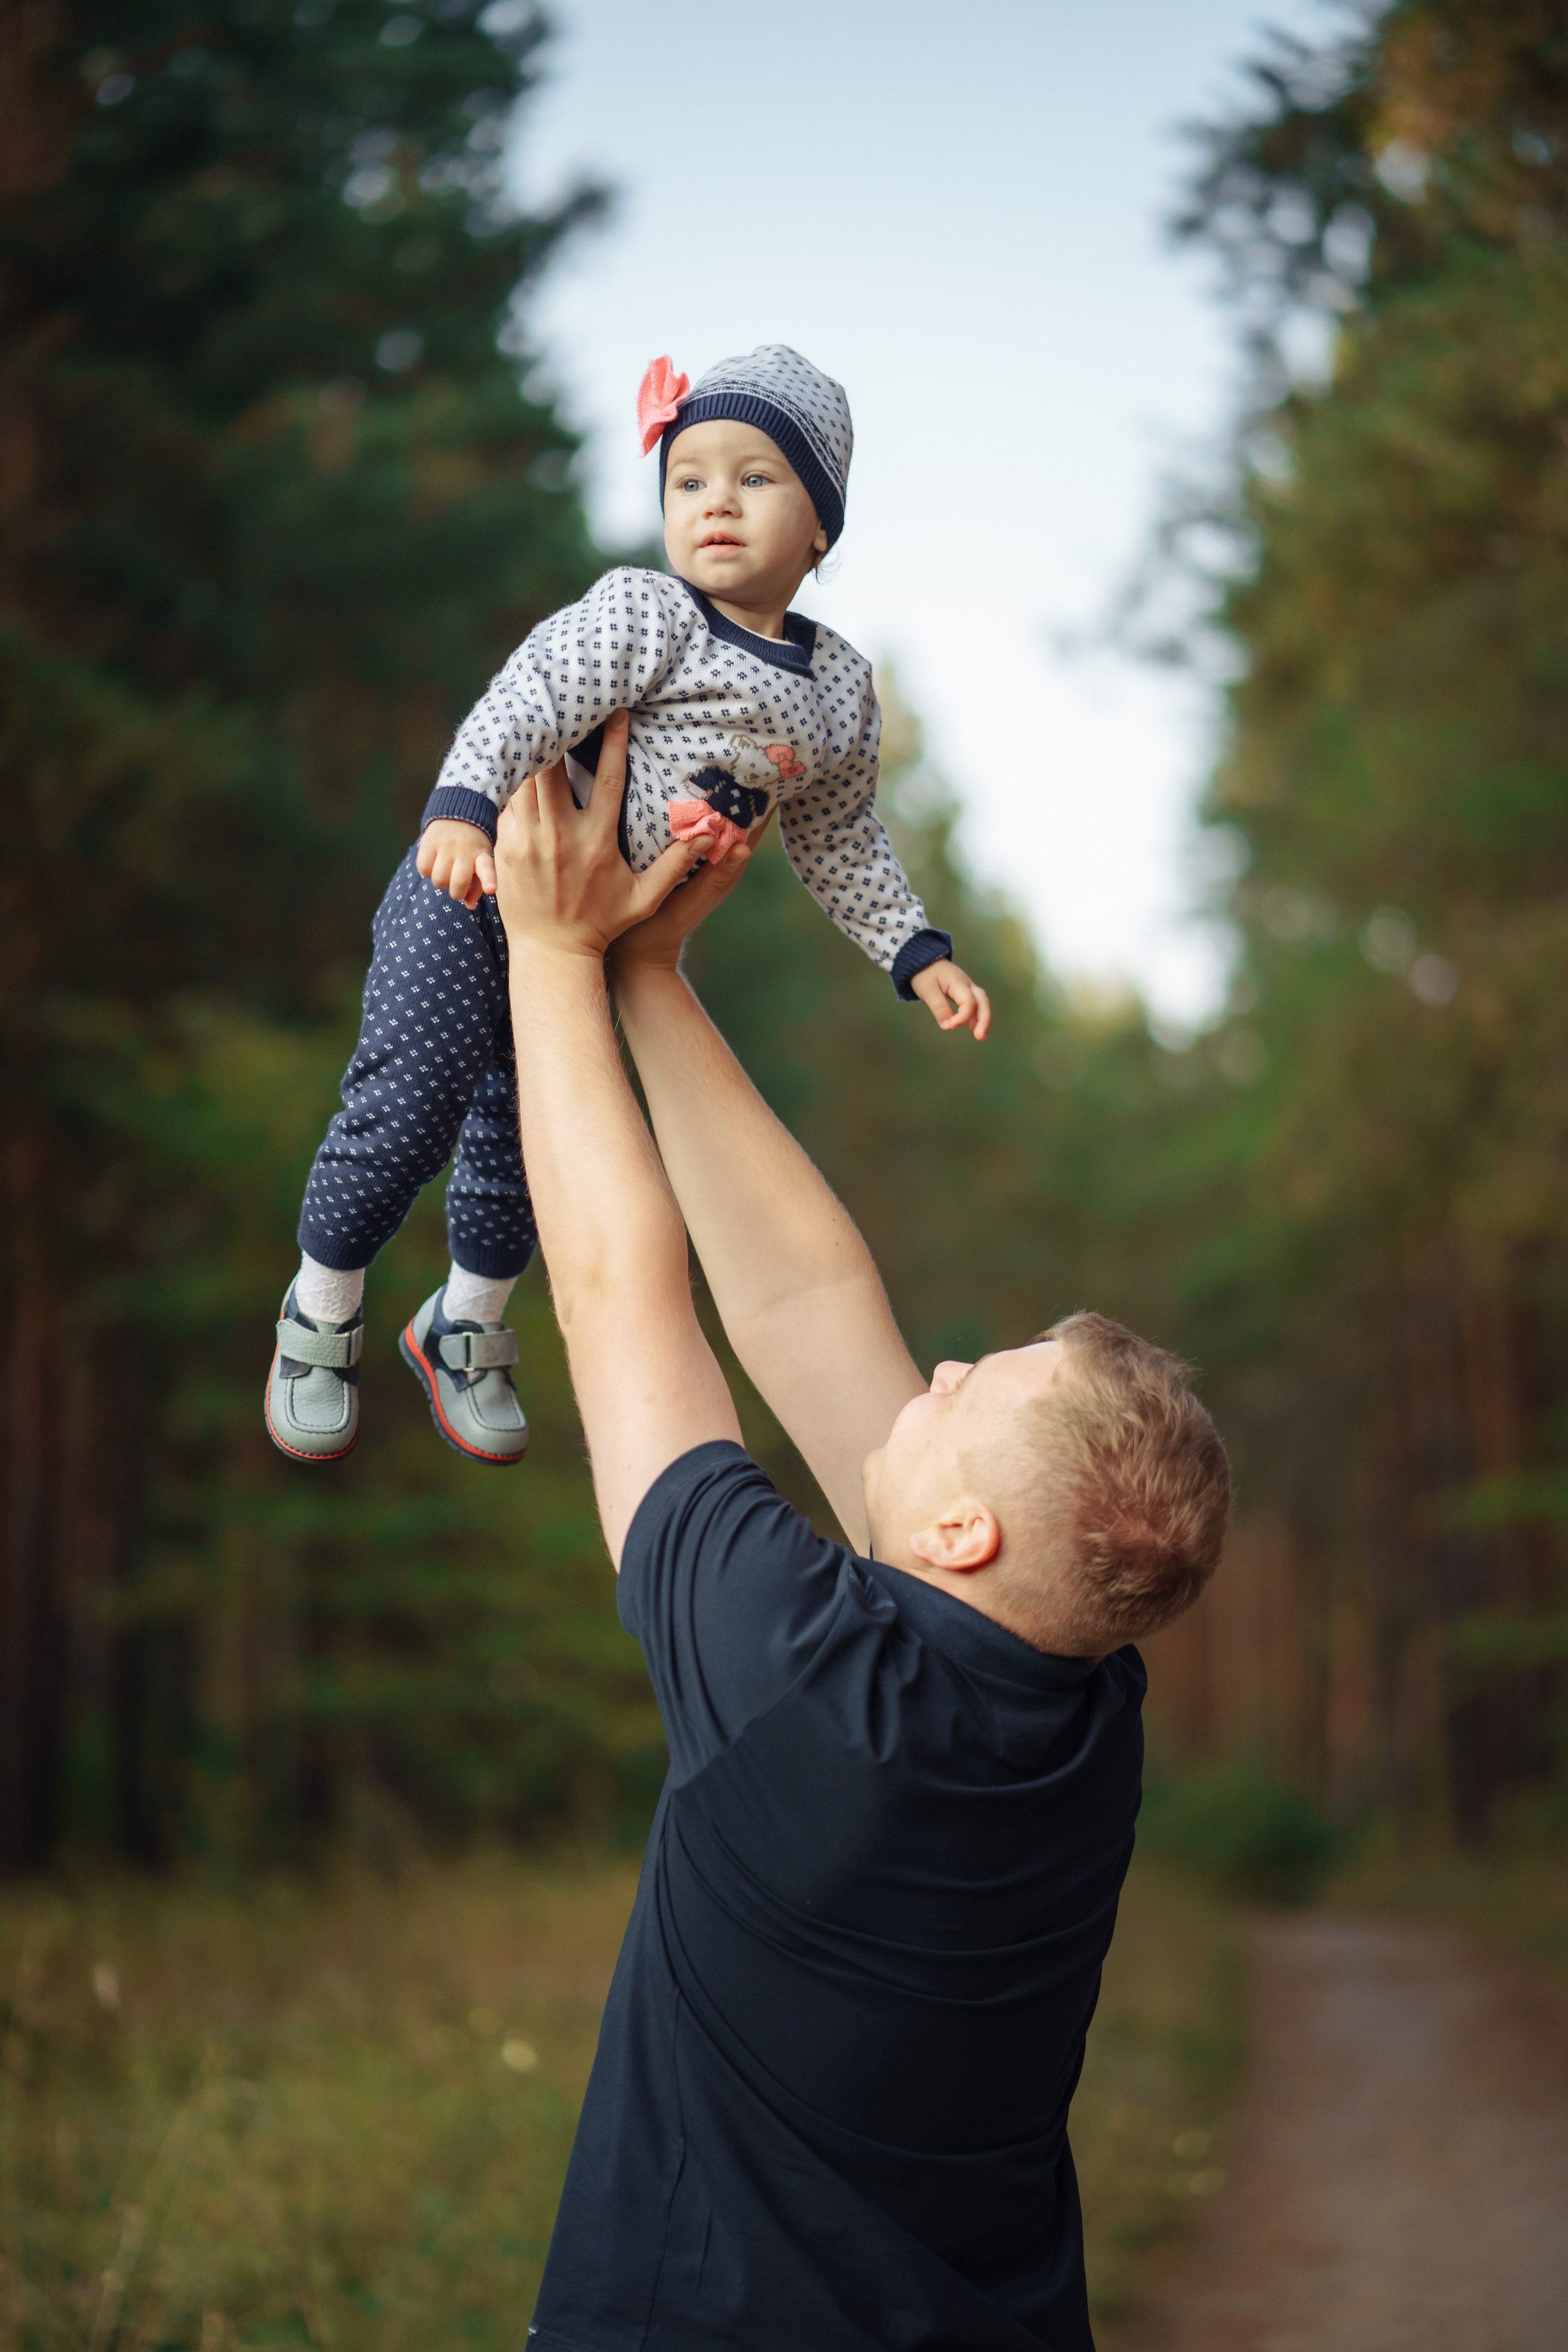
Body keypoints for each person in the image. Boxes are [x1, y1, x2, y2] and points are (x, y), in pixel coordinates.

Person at [490, 715, 1231, 2351]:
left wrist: (548, 954)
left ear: (960, 1530)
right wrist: (650, 980)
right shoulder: (1072, 1704)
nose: (943, 1367)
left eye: (971, 1388)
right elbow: (811, 1301)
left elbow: (626, 1293)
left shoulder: (804, 1682)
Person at [266, 342, 989, 1469]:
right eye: (689, 479)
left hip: (598, 943)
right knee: (405, 1107)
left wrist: (913, 948)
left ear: (821, 530)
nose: (715, 504)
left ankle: (467, 1321)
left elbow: (841, 832)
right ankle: (323, 1302)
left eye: (756, 479)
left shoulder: (839, 688)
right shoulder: (651, 614)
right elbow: (535, 689)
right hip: (480, 888)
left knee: (526, 1149)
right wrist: (460, 806)